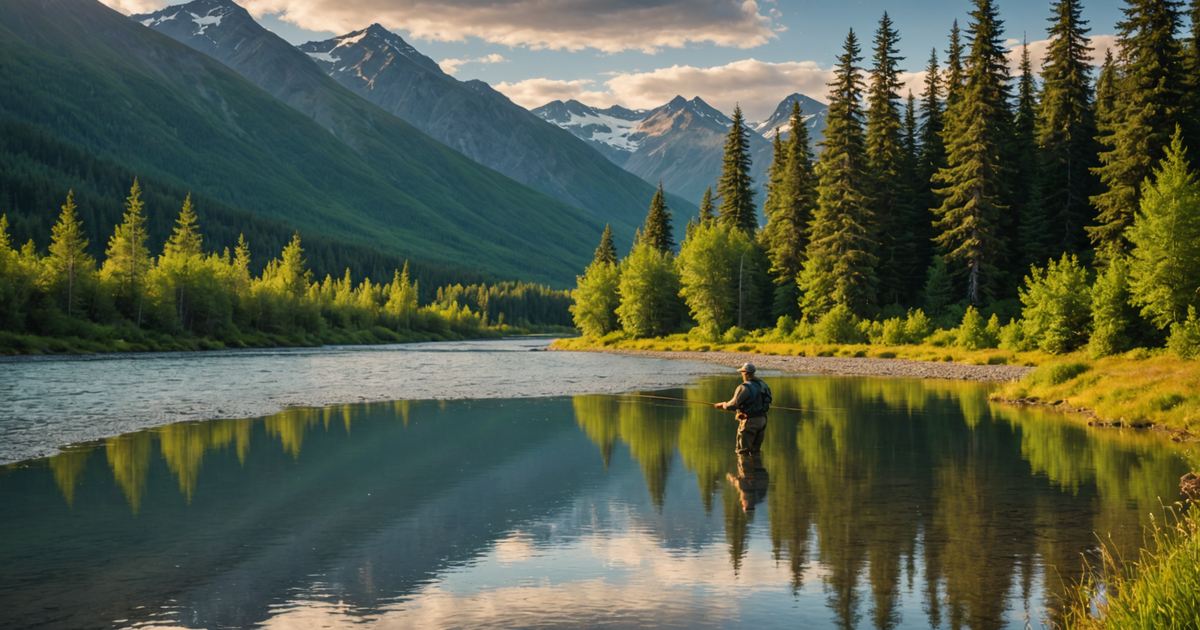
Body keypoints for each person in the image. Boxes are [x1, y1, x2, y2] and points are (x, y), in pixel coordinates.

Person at [713, 363, 770, 457]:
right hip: (763, 420)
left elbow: (733, 405)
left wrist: (723, 405)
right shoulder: (762, 384)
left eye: (742, 373)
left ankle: (744, 471)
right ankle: (758, 470)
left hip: (750, 421)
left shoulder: (744, 387)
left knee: (743, 452)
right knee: (755, 451)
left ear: (745, 373)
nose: (742, 375)